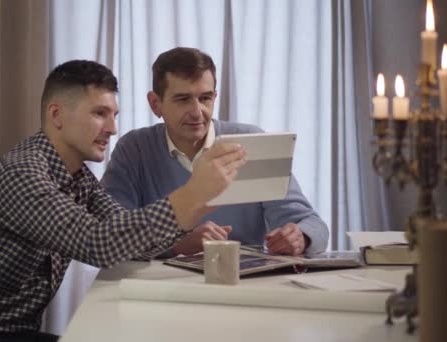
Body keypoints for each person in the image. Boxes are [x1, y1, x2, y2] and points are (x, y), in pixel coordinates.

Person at [0, 60, 245, 342]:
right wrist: (191, 194)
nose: (113, 128)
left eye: (114, 114)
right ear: (57, 115)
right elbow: (98, 244)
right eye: (100, 114)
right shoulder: (21, 174)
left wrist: (201, 203)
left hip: (14, 333)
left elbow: (123, 234)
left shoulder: (77, 177)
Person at [101, 47, 329, 257]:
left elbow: (312, 224)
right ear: (155, 104)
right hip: (162, 290)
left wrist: (300, 237)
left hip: (243, 285)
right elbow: (111, 233)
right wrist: (177, 244)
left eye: (205, 98)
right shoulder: (134, 149)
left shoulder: (250, 142)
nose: (197, 112)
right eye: (183, 99)